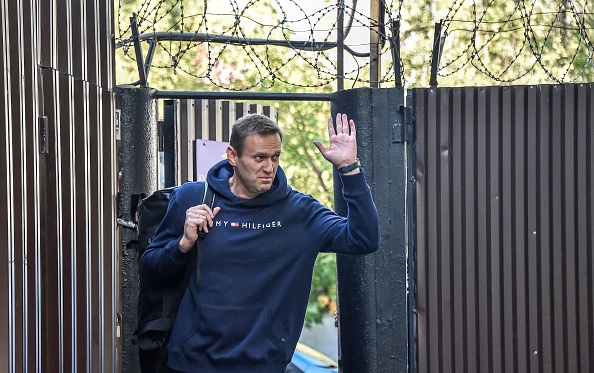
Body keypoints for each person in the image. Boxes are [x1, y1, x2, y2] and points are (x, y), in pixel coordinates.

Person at [139, 112, 380, 372]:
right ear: (233, 156)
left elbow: (364, 239)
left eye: (275, 157)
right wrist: (183, 244)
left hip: (264, 365)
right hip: (191, 363)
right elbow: (151, 271)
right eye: (259, 158)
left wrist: (349, 169)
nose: (269, 167)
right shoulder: (192, 199)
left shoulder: (299, 212)